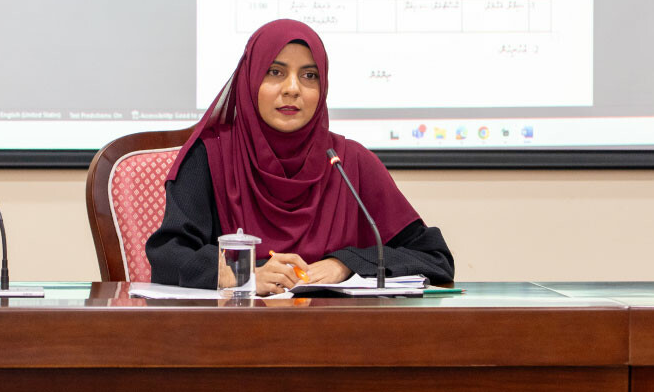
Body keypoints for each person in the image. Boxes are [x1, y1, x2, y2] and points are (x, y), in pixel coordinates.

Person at [146, 19, 454, 295]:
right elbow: (168, 256)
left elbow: (434, 257)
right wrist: (244, 275)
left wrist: (345, 263)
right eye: (275, 72)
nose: (292, 89)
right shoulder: (210, 157)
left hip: (339, 334)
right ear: (249, 79)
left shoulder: (349, 162)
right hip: (233, 333)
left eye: (309, 75)